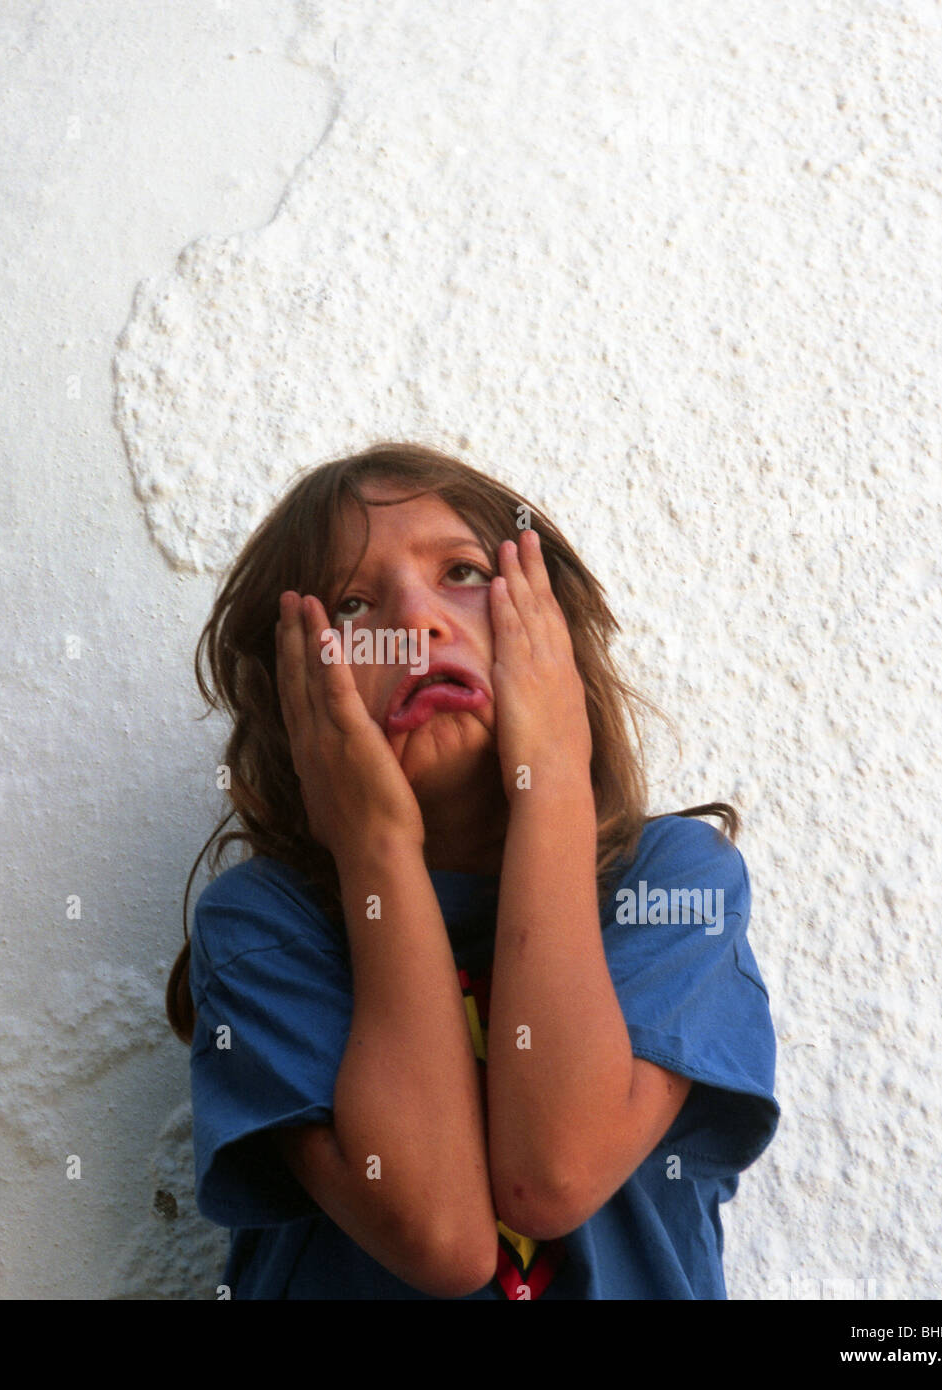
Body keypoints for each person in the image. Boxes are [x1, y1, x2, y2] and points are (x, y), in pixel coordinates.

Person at [165, 441, 778, 1299]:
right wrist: (375, 849)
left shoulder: (673, 887)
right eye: (351, 602)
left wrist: (554, 779)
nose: (416, 620)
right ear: (296, 700)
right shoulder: (266, 926)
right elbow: (443, 1239)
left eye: (460, 571)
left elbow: (553, 1174)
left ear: (551, 633)